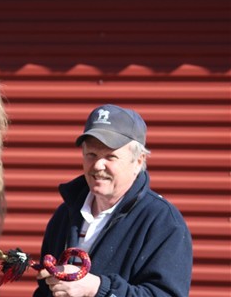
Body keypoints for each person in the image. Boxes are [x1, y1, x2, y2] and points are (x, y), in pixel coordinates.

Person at [33, 104, 192, 297]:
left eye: (111, 157)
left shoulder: (163, 223)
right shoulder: (65, 214)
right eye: (91, 154)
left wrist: (97, 289)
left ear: (139, 161)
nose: (98, 165)